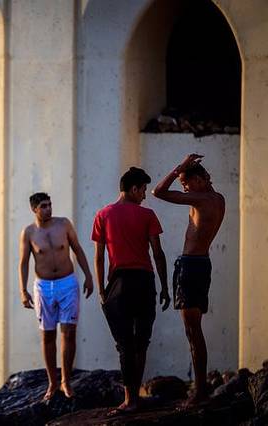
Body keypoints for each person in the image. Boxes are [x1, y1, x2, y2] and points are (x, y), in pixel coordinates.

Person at [92, 167, 171, 415]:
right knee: (141, 342)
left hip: (118, 283)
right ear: (134, 189)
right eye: (143, 190)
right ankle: (135, 397)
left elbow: (99, 257)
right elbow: (158, 253)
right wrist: (165, 286)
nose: (145, 195)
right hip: (144, 281)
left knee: (125, 344)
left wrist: (102, 290)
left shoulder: (103, 215)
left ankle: (130, 399)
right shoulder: (147, 215)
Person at [152, 153, 225, 407]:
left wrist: (179, 167)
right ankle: (200, 388)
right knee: (195, 331)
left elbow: (158, 192)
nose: (184, 188)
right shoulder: (218, 198)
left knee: (192, 332)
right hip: (201, 264)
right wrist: (186, 170)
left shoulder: (201, 199)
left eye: (186, 182)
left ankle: (200, 391)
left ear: (200, 179)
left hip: (191, 267)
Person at [19, 192, 94, 401]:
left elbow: (77, 249)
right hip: (43, 287)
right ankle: (52, 382)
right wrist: (23, 291)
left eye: (50, 205)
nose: (48, 209)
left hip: (67, 283)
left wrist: (88, 276)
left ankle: (66, 381)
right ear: (34, 209)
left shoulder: (64, 224)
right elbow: (23, 262)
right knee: (48, 335)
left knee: (69, 332)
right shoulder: (29, 232)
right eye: (43, 206)